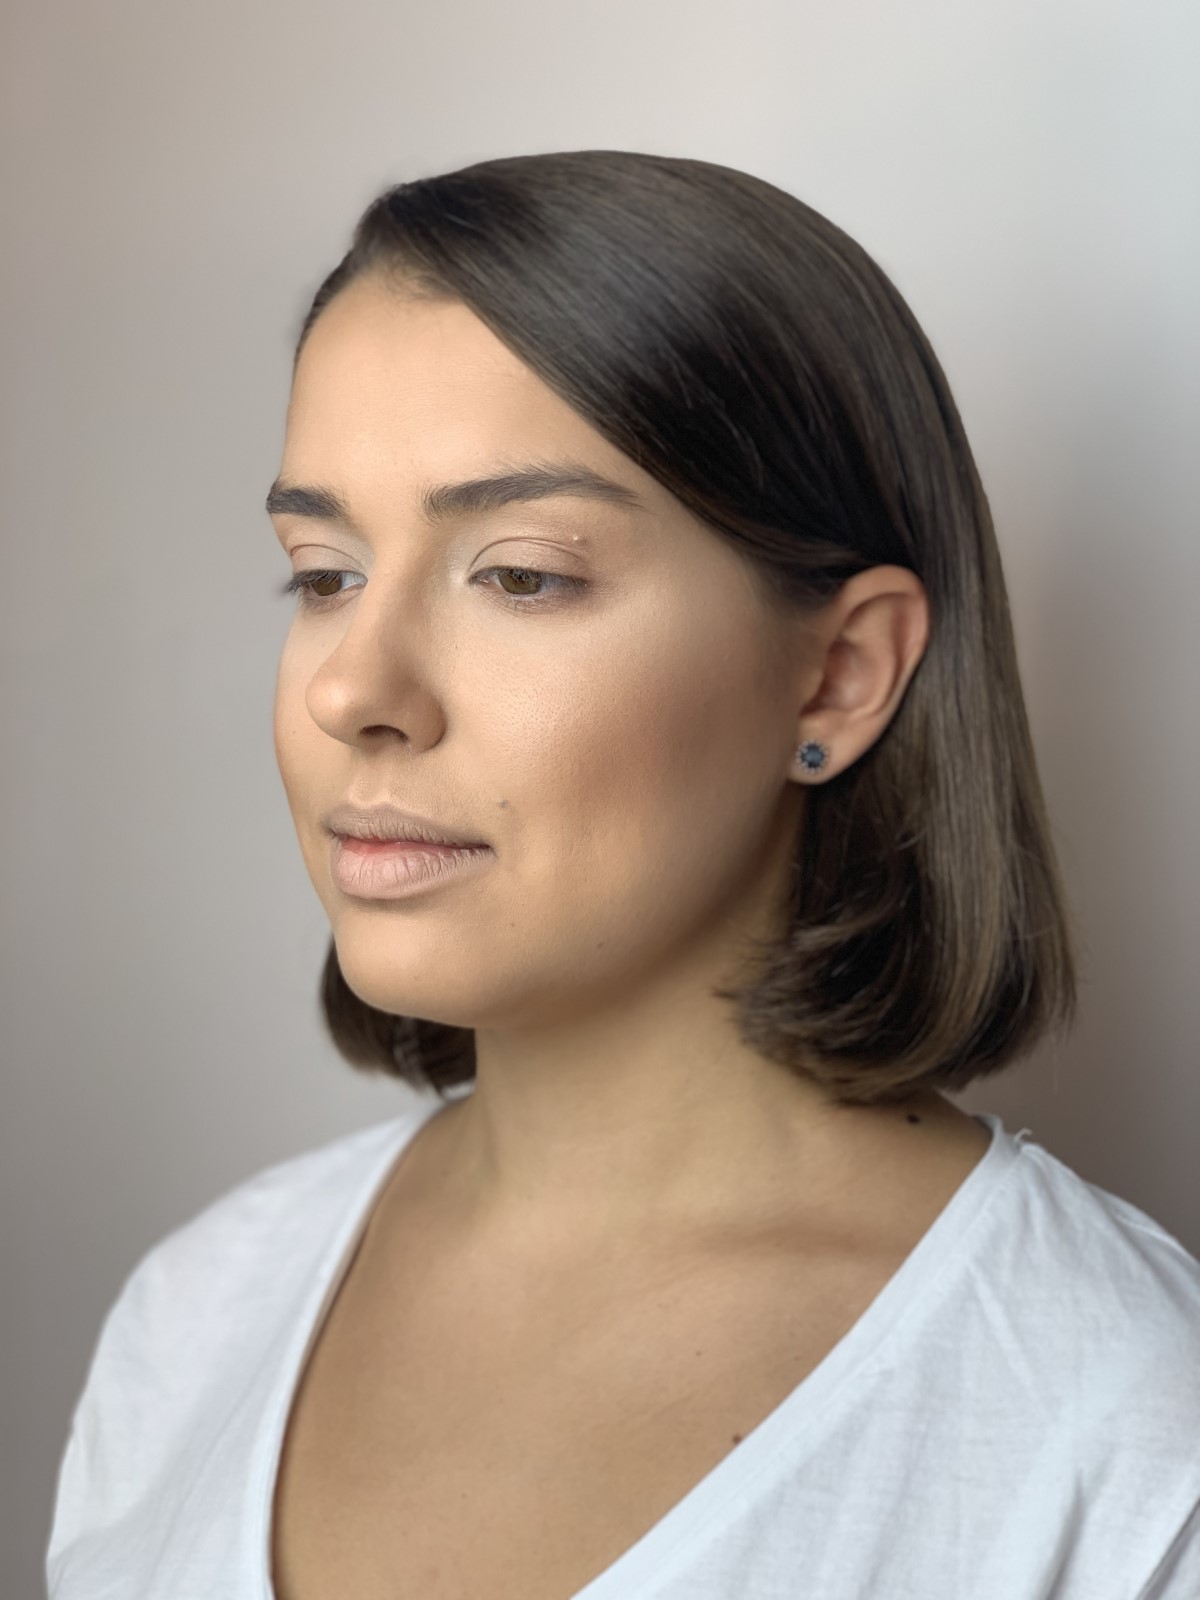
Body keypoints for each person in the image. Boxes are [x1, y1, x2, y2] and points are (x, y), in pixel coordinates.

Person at [47, 150, 1200, 1600]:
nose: (352, 690)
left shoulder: (1122, 1434)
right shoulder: (196, 1313)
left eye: (521, 574)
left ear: (840, 676)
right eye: (326, 572)